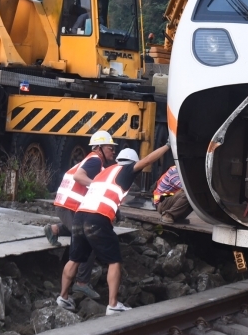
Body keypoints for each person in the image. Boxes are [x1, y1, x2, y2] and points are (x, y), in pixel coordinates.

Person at [78, 143, 171, 315]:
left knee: (75, 257)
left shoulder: (106, 171)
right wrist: (167, 145)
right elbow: (148, 160)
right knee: (114, 260)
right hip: (98, 218)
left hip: (81, 215)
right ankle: (113, 304)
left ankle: (63, 297)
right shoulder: (127, 170)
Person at [55, 130, 119, 311]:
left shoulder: (93, 160)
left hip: (67, 206)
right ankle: (81, 282)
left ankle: (54, 230)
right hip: (68, 205)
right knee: (86, 241)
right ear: (99, 148)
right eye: (110, 148)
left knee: (81, 234)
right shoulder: (95, 160)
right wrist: (99, 187)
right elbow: (79, 177)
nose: (112, 151)